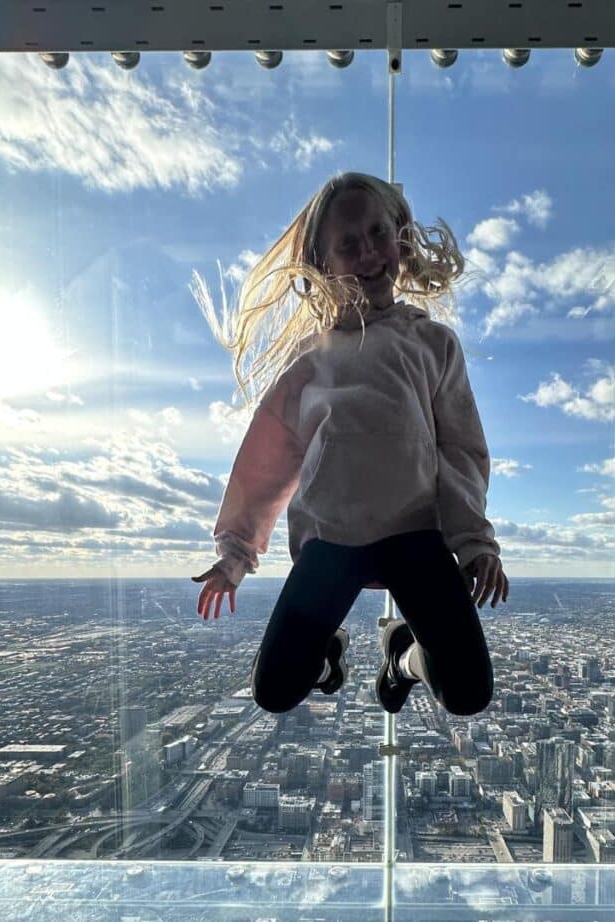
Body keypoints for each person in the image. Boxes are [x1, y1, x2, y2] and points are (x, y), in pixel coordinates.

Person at [190, 171, 508, 716]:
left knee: (468, 691)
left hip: (416, 536)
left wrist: (474, 540)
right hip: (332, 543)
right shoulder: (311, 362)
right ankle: (326, 656)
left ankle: (403, 655)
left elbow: (461, 449)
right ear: (323, 264)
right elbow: (265, 461)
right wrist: (236, 552)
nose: (367, 253)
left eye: (378, 233)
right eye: (348, 244)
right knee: (275, 687)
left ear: (402, 239)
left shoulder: (433, 344)